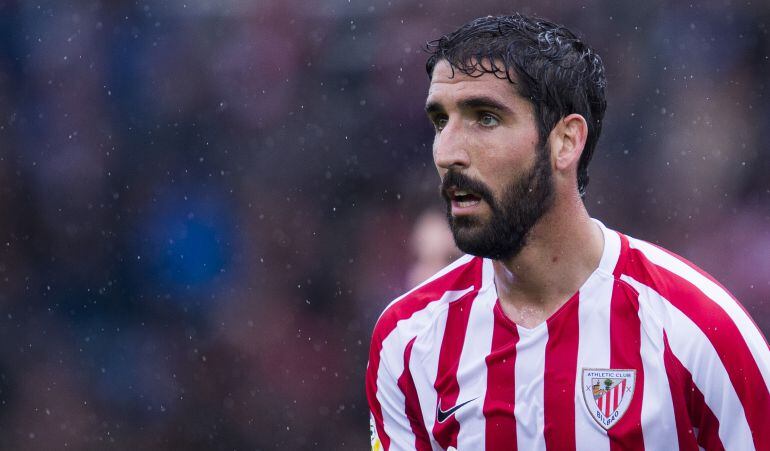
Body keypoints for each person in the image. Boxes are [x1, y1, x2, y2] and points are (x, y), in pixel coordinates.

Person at [365, 13, 770, 451]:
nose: (447, 152)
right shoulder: (407, 342)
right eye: (441, 122)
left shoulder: (699, 329)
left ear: (565, 141)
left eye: (484, 118)